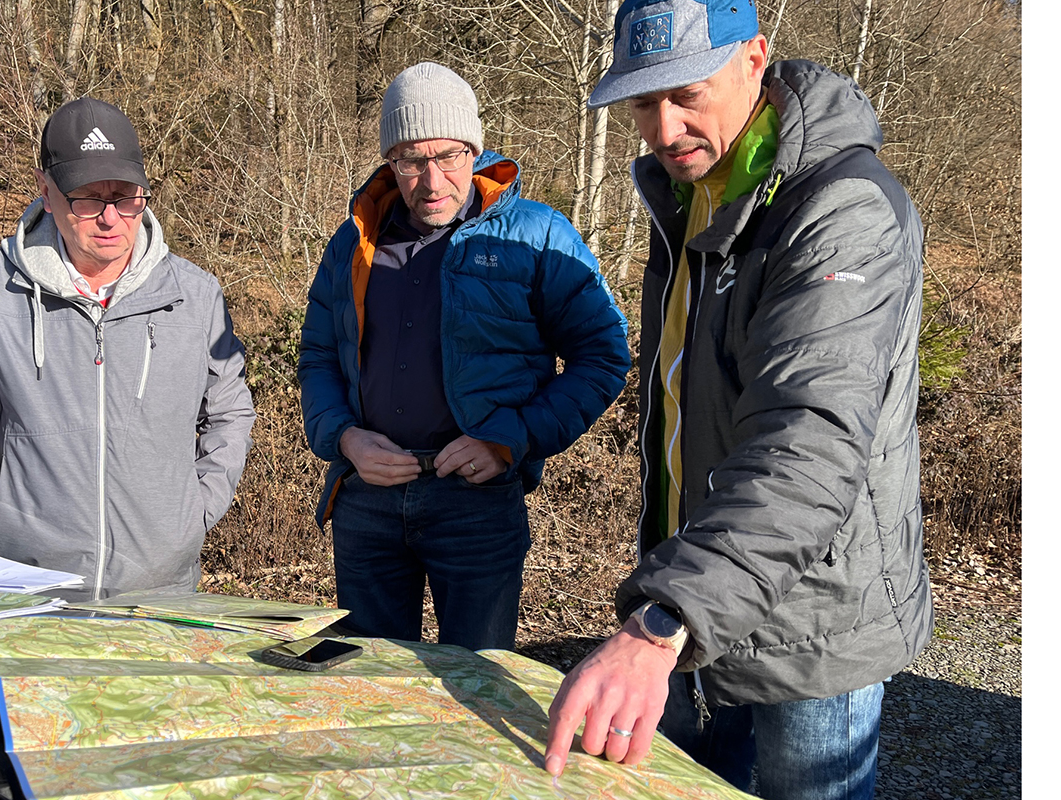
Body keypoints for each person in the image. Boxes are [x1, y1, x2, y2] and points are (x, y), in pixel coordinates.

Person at [543, 1, 933, 798]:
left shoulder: (838, 209)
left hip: (813, 618)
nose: (662, 125)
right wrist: (677, 598)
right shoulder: (691, 192)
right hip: (705, 593)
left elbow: (808, 443)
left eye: (687, 92)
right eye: (643, 101)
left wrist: (658, 624)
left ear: (755, 58)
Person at [298, 62, 630, 652]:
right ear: (388, 162)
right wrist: (345, 439)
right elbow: (320, 355)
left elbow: (602, 357)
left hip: (476, 504)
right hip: (367, 502)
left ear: (475, 150)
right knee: (368, 694)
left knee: (476, 693)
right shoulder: (354, 241)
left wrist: (511, 438)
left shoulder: (535, 235)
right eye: (409, 159)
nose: (431, 180)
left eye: (449, 156)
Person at [0, 97, 255, 600]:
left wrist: (193, 514)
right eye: (86, 198)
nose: (110, 218)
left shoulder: (193, 295)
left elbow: (230, 412)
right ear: (46, 191)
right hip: (30, 591)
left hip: (161, 594)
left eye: (126, 197)